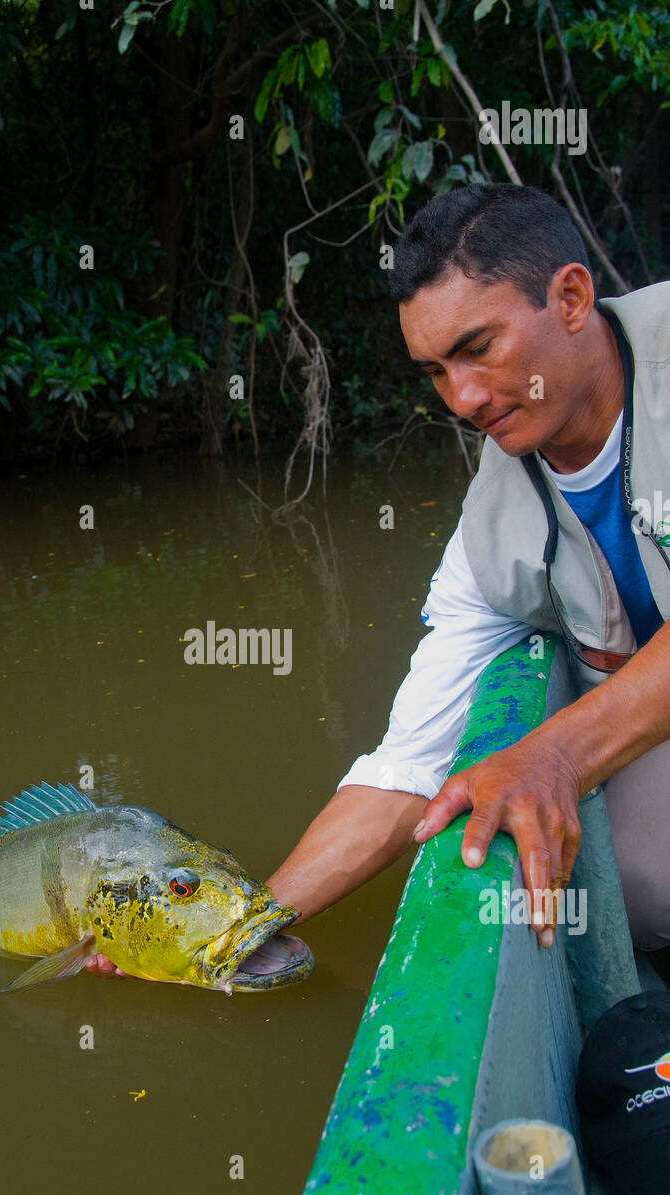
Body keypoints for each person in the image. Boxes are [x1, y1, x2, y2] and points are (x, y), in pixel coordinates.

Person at [90, 183, 670, 979]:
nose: (461, 400)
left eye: (478, 347)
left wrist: (554, 755)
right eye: (434, 371)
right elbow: (412, 764)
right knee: (640, 889)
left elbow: (552, 757)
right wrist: (232, 924)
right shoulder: (489, 531)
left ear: (570, 296)